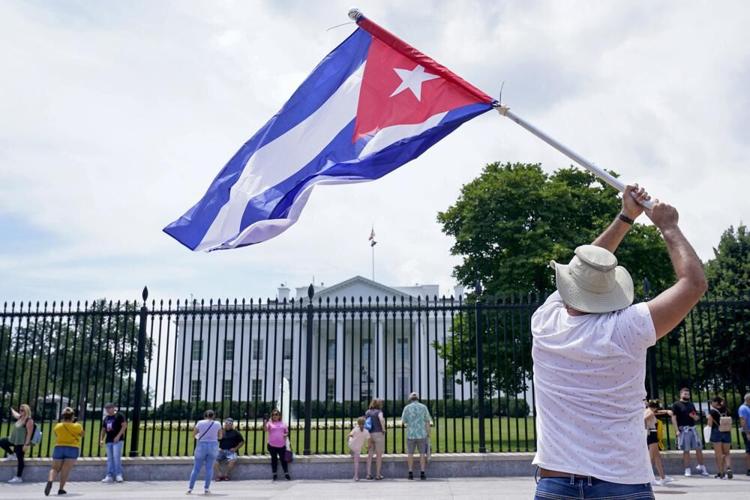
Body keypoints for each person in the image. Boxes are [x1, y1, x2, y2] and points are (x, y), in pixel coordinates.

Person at [531, 186, 708, 500]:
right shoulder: (628, 327)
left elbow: (584, 269)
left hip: (556, 481)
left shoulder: (544, 323)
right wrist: (668, 226)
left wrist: (625, 217)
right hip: (623, 482)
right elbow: (693, 284)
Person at [45, 407, 83, 496]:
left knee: (54, 468)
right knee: (65, 469)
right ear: (72, 416)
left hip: (59, 447)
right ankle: (61, 489)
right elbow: (82, 434)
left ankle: (50, 481)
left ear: (63, 416)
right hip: (72, 448)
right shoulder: (77, 426)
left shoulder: (58, 426)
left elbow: (56, 434)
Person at [671, 387, 710, 476]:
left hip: (693, 429)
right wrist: (677, 430)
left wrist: (694, 417)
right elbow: (673, 418)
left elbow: (696, 417)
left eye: (688, 394)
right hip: (684, 430)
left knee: (699, 449)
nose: (686, 395)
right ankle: (687, 469)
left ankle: (702, 466)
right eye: (685, 394)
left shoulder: (691, 404)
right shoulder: (676, 405)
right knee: (686, 450)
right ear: (680, 394)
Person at [187, 409, 223, 495]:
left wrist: (200, 436)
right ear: (213, 416)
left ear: (205, 416)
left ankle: (190, 488)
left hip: (201, 445)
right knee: (209, 468)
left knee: (196, 468)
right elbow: (220, 436)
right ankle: (206, 488)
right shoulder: (217, 423)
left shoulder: (200, 423)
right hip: (213, 445)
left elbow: (194, 434)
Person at [401, 392, 432, 480]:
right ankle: (422, 472)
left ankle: (410, 472)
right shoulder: (423, 407)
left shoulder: (407, 408)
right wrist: (428, 433)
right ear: (417, 398)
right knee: (422, 454)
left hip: (411, 434)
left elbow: (403, 421)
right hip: (421, 433)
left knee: (410, 454)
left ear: (410, 399)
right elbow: (427, 421)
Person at [0, 404, 34, 483]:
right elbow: (15, 414)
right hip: (13, 440)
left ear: (27, 411)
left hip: (21, 442)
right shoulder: (20, 417)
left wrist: (26, 445)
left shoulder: (29, 421)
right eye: (20, 410)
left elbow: (29, 434)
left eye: (22, 410)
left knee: (20, 459)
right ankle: (12, 454)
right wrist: (11, 409)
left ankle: (18, 477)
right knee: (2, 442)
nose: (20, 411)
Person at [644, 400, 673, 486]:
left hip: (651, 434)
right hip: (651, 434)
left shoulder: (647, 410)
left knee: (657, 457)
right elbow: (644, 419)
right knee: (651, 457)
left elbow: (658, 412)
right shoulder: (650, 413)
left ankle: (662, 477)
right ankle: (648, 478)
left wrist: (666, 411)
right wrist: (646, 427)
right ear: (655, 407)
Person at [99, 402, 127, 483]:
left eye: (109, 408)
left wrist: (118, 436)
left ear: (113, 408)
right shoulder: (106, 418)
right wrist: (101, 439)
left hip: (117, 440)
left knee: (116, 457)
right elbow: (103, 429)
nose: (108, 410)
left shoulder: (119, 415)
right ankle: (109, 475)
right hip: (109, 440)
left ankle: (118, 475)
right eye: (106, 408)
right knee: (110, 459)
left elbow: (124, 425)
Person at [707, 396, 732, 479]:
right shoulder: (726, 410)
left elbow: (709, 424)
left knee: (719, 454)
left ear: (715, 402)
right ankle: (728, 467)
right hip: (727, 432)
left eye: (711, 402)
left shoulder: (712, 411)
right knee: (727, 453)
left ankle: (721, 473)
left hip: (716, 432)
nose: (711, 404)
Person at [265, 408, 290, 480]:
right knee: (274, 459)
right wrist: (265, 422)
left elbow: (286, 432)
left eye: (276, 414)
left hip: (281, 445)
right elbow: (265, 429)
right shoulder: (269, 423)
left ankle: (286, 473)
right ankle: (274, 474)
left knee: (283, 459)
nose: (275, 416)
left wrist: (285, 435)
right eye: (273, 415)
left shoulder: (283, 423)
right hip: (272, 445)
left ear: (279, 416)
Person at [365, 398, 386, 480]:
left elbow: (366, 422)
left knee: (370, 455)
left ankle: (368, 474)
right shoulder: (379, 412)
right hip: (378, 434)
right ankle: (378, 474)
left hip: (370, 434)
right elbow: (381, 419)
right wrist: (383, 429)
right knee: (379, 455)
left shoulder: (368, 412)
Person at [348, 416, 370, 481]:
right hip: (358, 448)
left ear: (358, 423)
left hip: (351, 445)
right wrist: (368, 446)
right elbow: (369, 439)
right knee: (356, 462)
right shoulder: (366, 431)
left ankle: (351, 451)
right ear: (365, 423)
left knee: (351, 442)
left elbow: (350, 435)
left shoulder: (355, 429)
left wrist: (349, 437)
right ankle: (356, 476)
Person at [739, 393, 750, 476]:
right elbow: (743, 421)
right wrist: (747, 433)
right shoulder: (743, 408)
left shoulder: (747, 408)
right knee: (749, 451)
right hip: (748, 431)